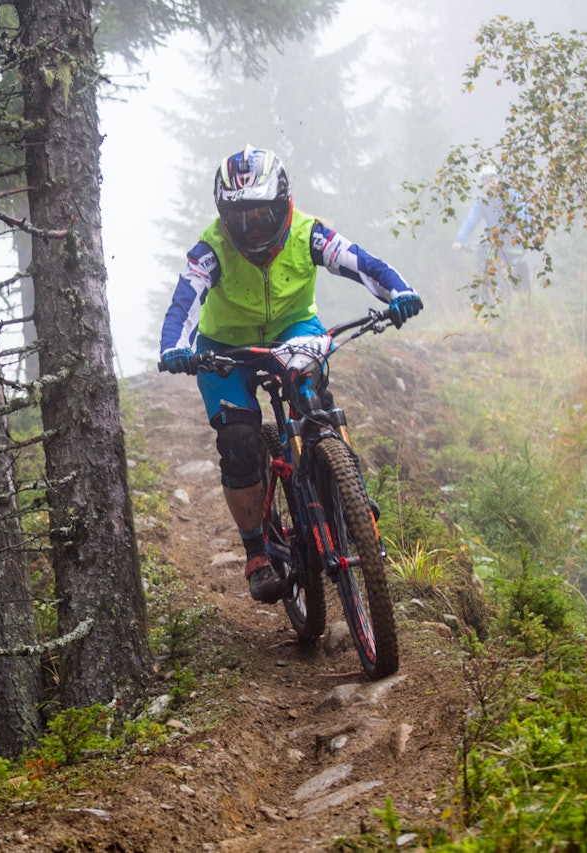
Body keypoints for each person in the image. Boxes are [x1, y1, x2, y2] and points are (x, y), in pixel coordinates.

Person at [157, 145, 422, 604]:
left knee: (313, 399)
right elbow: (183, 301)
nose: (253, 226)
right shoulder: (212, 248)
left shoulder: (308, 234)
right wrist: (174, 348)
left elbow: (363, 263)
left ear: (285, 205)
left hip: (292, 330)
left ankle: (347, 497)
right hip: (225, 346)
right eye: (242, 218)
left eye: (263, 214)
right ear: (224, 217)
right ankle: (257, 552)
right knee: (239, 444)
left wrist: (400, 291)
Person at [451, 170, 531, 292]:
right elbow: (470, 222)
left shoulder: (512, 195)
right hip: (493, 242)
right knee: (482, 265)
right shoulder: (482, 201)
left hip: (512, 242)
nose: (490, 183)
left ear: (498, 179)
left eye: (491, 179)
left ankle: (523, 297)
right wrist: (460, 240)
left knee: (518, 272)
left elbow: (523, 213)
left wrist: (523, 231)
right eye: (485, 180)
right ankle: (484, 296)